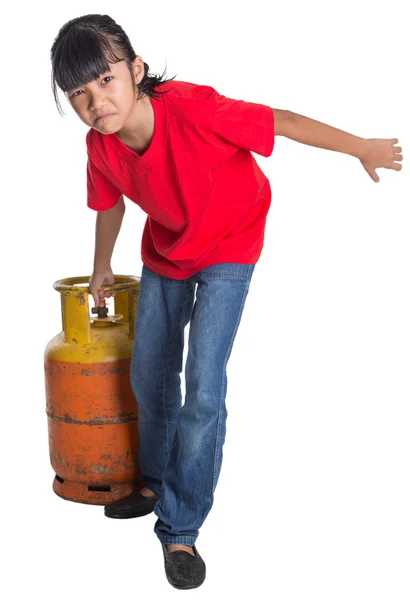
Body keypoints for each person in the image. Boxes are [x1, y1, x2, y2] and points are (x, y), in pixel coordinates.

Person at [50, 13, 403, 590]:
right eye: (79, 95)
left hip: (230, 246)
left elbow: (282, 122)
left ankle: (181, 527)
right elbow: (109, 202)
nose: (97, 103)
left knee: (204, 388)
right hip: (167, 250)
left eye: (106, 81)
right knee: (149, 374)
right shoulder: (101, 146)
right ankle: (156, 481)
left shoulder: (194, 109)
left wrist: (360, 147)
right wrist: (100, 267)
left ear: (136, 70)